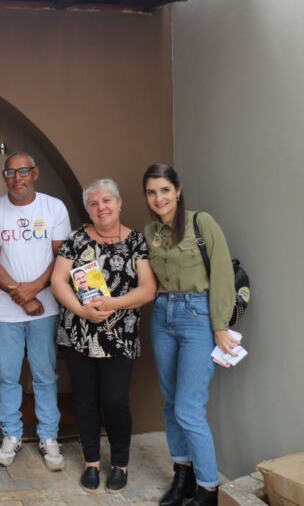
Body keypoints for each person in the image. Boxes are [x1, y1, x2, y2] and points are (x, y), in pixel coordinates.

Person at [50, 178, 157, 493]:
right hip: (78, 334)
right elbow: (58, 280)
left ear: (120, 203)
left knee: (115, 401)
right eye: (94, 203)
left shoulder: (137, 241)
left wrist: (113, 304)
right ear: (88, 209)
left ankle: (120, 464)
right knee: (85, 400)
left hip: (120, 336)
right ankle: (92, 463)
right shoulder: (76, 239)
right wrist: (81, 310)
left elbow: (148, 289)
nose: (101, 208)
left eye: (107, 200)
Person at [143, 163, 237, 506]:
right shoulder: (151, 232)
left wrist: (219, 325)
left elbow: (223, 273)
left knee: (189, 407)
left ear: (178, 190)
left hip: (198, 317)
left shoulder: (201, 223)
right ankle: (182, 476)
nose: (159, 198)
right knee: (171, 404)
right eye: (151, 192)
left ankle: (208, 488)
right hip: (162, 316)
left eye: (165, 190)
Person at [0, 152, 70, 471]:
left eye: (23, 171)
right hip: (6, 313)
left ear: (35, 173)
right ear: (4, 177)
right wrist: (21, 295)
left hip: (45, 309)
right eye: (10, 172)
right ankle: (11, 434)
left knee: (45, 375)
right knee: (7, 376)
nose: (17, 178)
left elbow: (62, 257)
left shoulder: (53, 208)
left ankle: (48, 436)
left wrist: (33, 290)